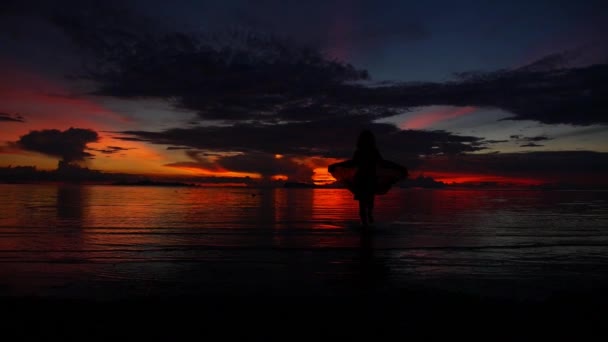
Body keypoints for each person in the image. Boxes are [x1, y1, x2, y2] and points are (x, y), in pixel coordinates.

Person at [352, 130, 382, 227]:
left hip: (362, 179)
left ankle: (365, 223)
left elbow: (353, 163)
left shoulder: (359, 152)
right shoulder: (373, 151)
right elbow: (381, 162)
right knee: (369, 200)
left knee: (362, 203)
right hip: (370, 178)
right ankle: (368, 216)